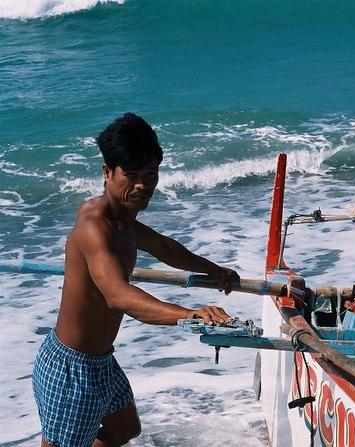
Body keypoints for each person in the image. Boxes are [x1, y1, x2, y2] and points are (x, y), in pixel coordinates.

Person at [32, 113, 239, 447]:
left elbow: (163, 247)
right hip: (73, 369)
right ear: (107, 173)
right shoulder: (94, 228)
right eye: (131, 175)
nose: (142, 185)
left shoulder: (123, 222)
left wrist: (214, 271)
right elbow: (119, 295)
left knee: (124, 430)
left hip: (100, 361)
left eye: (150, 174)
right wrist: (190, 315)